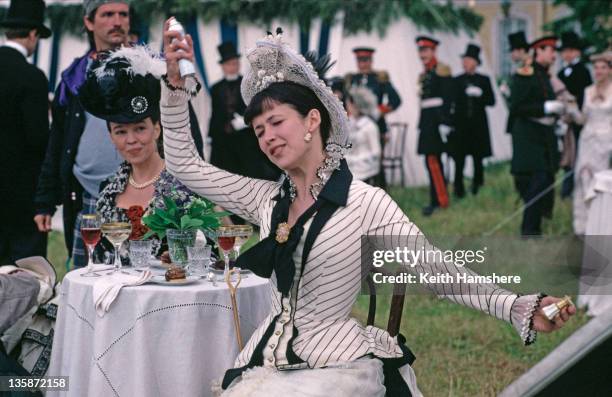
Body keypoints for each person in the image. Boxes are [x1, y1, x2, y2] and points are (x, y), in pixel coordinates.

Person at [161, 22, 575, 396]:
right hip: (264, 364)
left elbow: (436, 269)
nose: (267, 137)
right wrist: (175, 91)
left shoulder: (366, 202)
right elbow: (184, 165)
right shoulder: (265, 199)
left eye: (276, 122)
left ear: (311, 121)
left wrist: (516, 305)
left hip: (334, 368)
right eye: (258, 130)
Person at [33, 0, 203, 268]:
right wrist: (45, 200)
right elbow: (58, 142)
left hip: (152, 195)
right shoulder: (75, 77)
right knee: (91, 282)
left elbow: (186, 129)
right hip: (89, 195)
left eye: (122, 14)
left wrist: (195, 182)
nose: (117, 21)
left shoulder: (152, 68)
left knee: (156, 279)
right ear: (89, 22)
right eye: (108, 14)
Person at [77, 46, 206, 264]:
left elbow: (209, 258)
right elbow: (98, 263)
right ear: (111, 136)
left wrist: (182, 261)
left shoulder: (187, 185)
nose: (131, 140)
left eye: (139, 128)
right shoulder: (107, 193)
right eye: (120, 131)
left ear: (157, 129)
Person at [0, 0, 52, 264]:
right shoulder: (31, 76)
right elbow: (38, 139)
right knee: (24, 278)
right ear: (33, 34)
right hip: (21, 196)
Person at [509, 36, 563, 236]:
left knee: (545, 180)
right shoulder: (526, 73)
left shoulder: (544, 75)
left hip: (544, 136)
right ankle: (529, 231)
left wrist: (556, 117)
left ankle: (537, 227)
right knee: (537, 181)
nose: (554, 54)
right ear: (538, 51)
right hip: (529, 137)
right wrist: (545, 107)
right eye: (550, 50)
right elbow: (517, 107)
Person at [209, 41, 281, 183]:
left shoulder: (248, 84)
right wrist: (211, 134)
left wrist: (245, 121)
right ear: (223, 66)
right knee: (224, 175)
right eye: (229, 64)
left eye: (235, 63)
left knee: (248, 173)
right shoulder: (216, 88)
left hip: (245, 139)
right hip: (223, 141)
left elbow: (255, 107)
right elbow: (215, 113)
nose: (232, 67)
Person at [345, 47, 401, 189]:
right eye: (360, 61)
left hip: (376, 126)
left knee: (377, 164)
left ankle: (381, 195)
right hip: (356, 128)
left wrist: (379, 111)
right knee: (357, 162)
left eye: (365, 61)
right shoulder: (352, 79)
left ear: (371, 61)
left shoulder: (380, 79)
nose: (363, 64)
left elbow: (396, 100)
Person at [572, 51, 612, 235]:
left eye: (603, 68)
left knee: (601, 181)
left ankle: (602, 224)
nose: (599, 71)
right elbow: (582, 119)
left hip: (606, 142)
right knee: (583, 178)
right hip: (587, 140)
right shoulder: (588, 91)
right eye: (596, 68)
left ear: (609, 70)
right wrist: (571, 111)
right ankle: (582, 223)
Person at [450, 44, 495, 198]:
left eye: (468, 60)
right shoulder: (456, 80)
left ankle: (477, 184)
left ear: (475, 62)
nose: (465, 63)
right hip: (461, 125)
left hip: (478, 125)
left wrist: (480, 94)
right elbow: (452, 102)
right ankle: (458, 187)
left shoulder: (484, 80)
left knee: (478, 157)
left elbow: (492, 101)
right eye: (464, 60)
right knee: (459, 157)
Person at [415, 36, 453, 216]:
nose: (422, 53)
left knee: (433, 161)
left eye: (425, 50)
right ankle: (437, 199)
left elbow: (448, 98)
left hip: (437, 122)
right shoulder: (425, 73)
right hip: (427, 122)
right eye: (420, 50)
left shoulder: (441, 70)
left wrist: (445, 123)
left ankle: (439, 201)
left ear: (433, 51)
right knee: (430, 161)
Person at [556, 31, 593, 199]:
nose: (567, 55)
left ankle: (572, 186)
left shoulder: (583, 71)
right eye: (564, 51)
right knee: (565, 152)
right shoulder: (561, 73)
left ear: (577, 52)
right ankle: (567, 184)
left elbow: (585, 95)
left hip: (577, 119)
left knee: (576, 152)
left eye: (570, 51)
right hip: (563, 119)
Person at [345, 86, 382, 185]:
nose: (347, 107)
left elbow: (376, 153)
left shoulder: (369, 126)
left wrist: (357, 160)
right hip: (351, 166)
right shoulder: (350, 123)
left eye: (349, 104)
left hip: (365, 170)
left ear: (356, 105)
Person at [503, 31, 530, 134]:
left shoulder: (528, 68)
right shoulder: (519, 68)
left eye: (513, 51)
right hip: (518, 119)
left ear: (521, 50)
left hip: (524, 119)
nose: (511, 55)